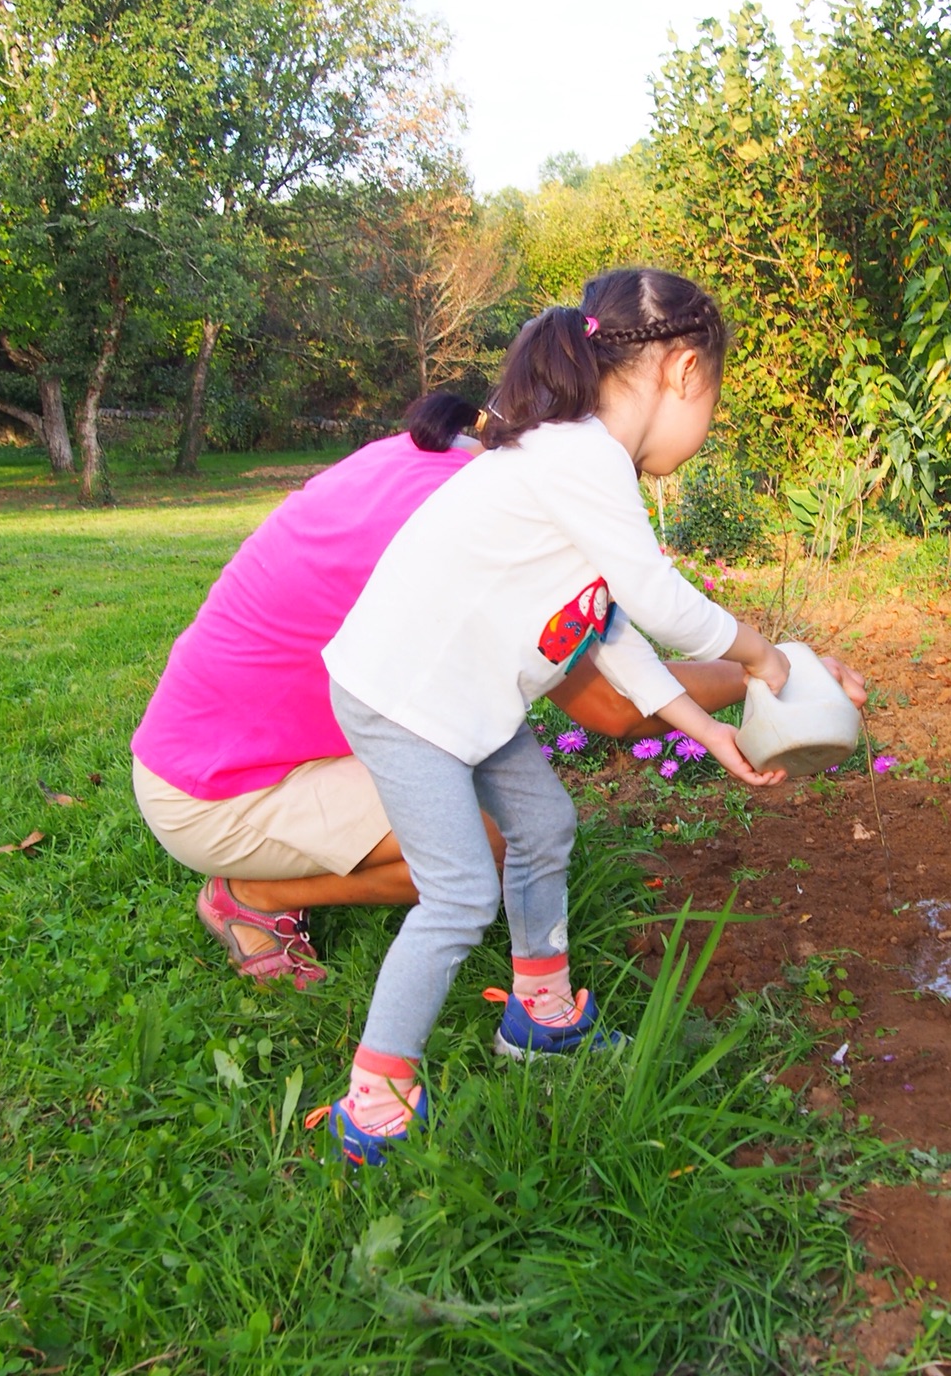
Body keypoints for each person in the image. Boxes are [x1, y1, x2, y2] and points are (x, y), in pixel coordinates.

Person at [313, 268, 846, 1163]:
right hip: (403, 703)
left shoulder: (575, 461)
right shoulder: (577, 453)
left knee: (546, 823)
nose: (706, 428)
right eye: (713, 398)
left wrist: (702, 725)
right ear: (682, 372)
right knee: (458, 893)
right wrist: (763, 655)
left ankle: (540, 1014)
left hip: (466, 702)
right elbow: (660, 599)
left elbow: (608, 625)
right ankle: (374, 1097)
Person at [130, 389, 753, 987]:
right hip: (217, 792)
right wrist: (759, 674)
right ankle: (254, 895)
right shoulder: (492, 531)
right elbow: (616, 705)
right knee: (492, 840)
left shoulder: (447, 462)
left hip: (205, 746)